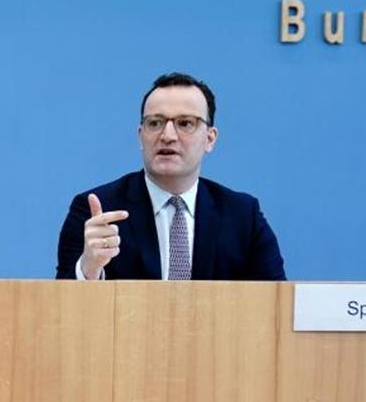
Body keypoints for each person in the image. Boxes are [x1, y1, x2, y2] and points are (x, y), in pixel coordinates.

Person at [55, 72, 284, 281]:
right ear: (140, 135)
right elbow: (61, 309)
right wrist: (89, 269)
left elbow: (276, 305)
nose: (168, 135)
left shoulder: (243, 215)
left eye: (185, 123)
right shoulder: (98, 211)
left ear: (210, 139)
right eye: (155, 123)